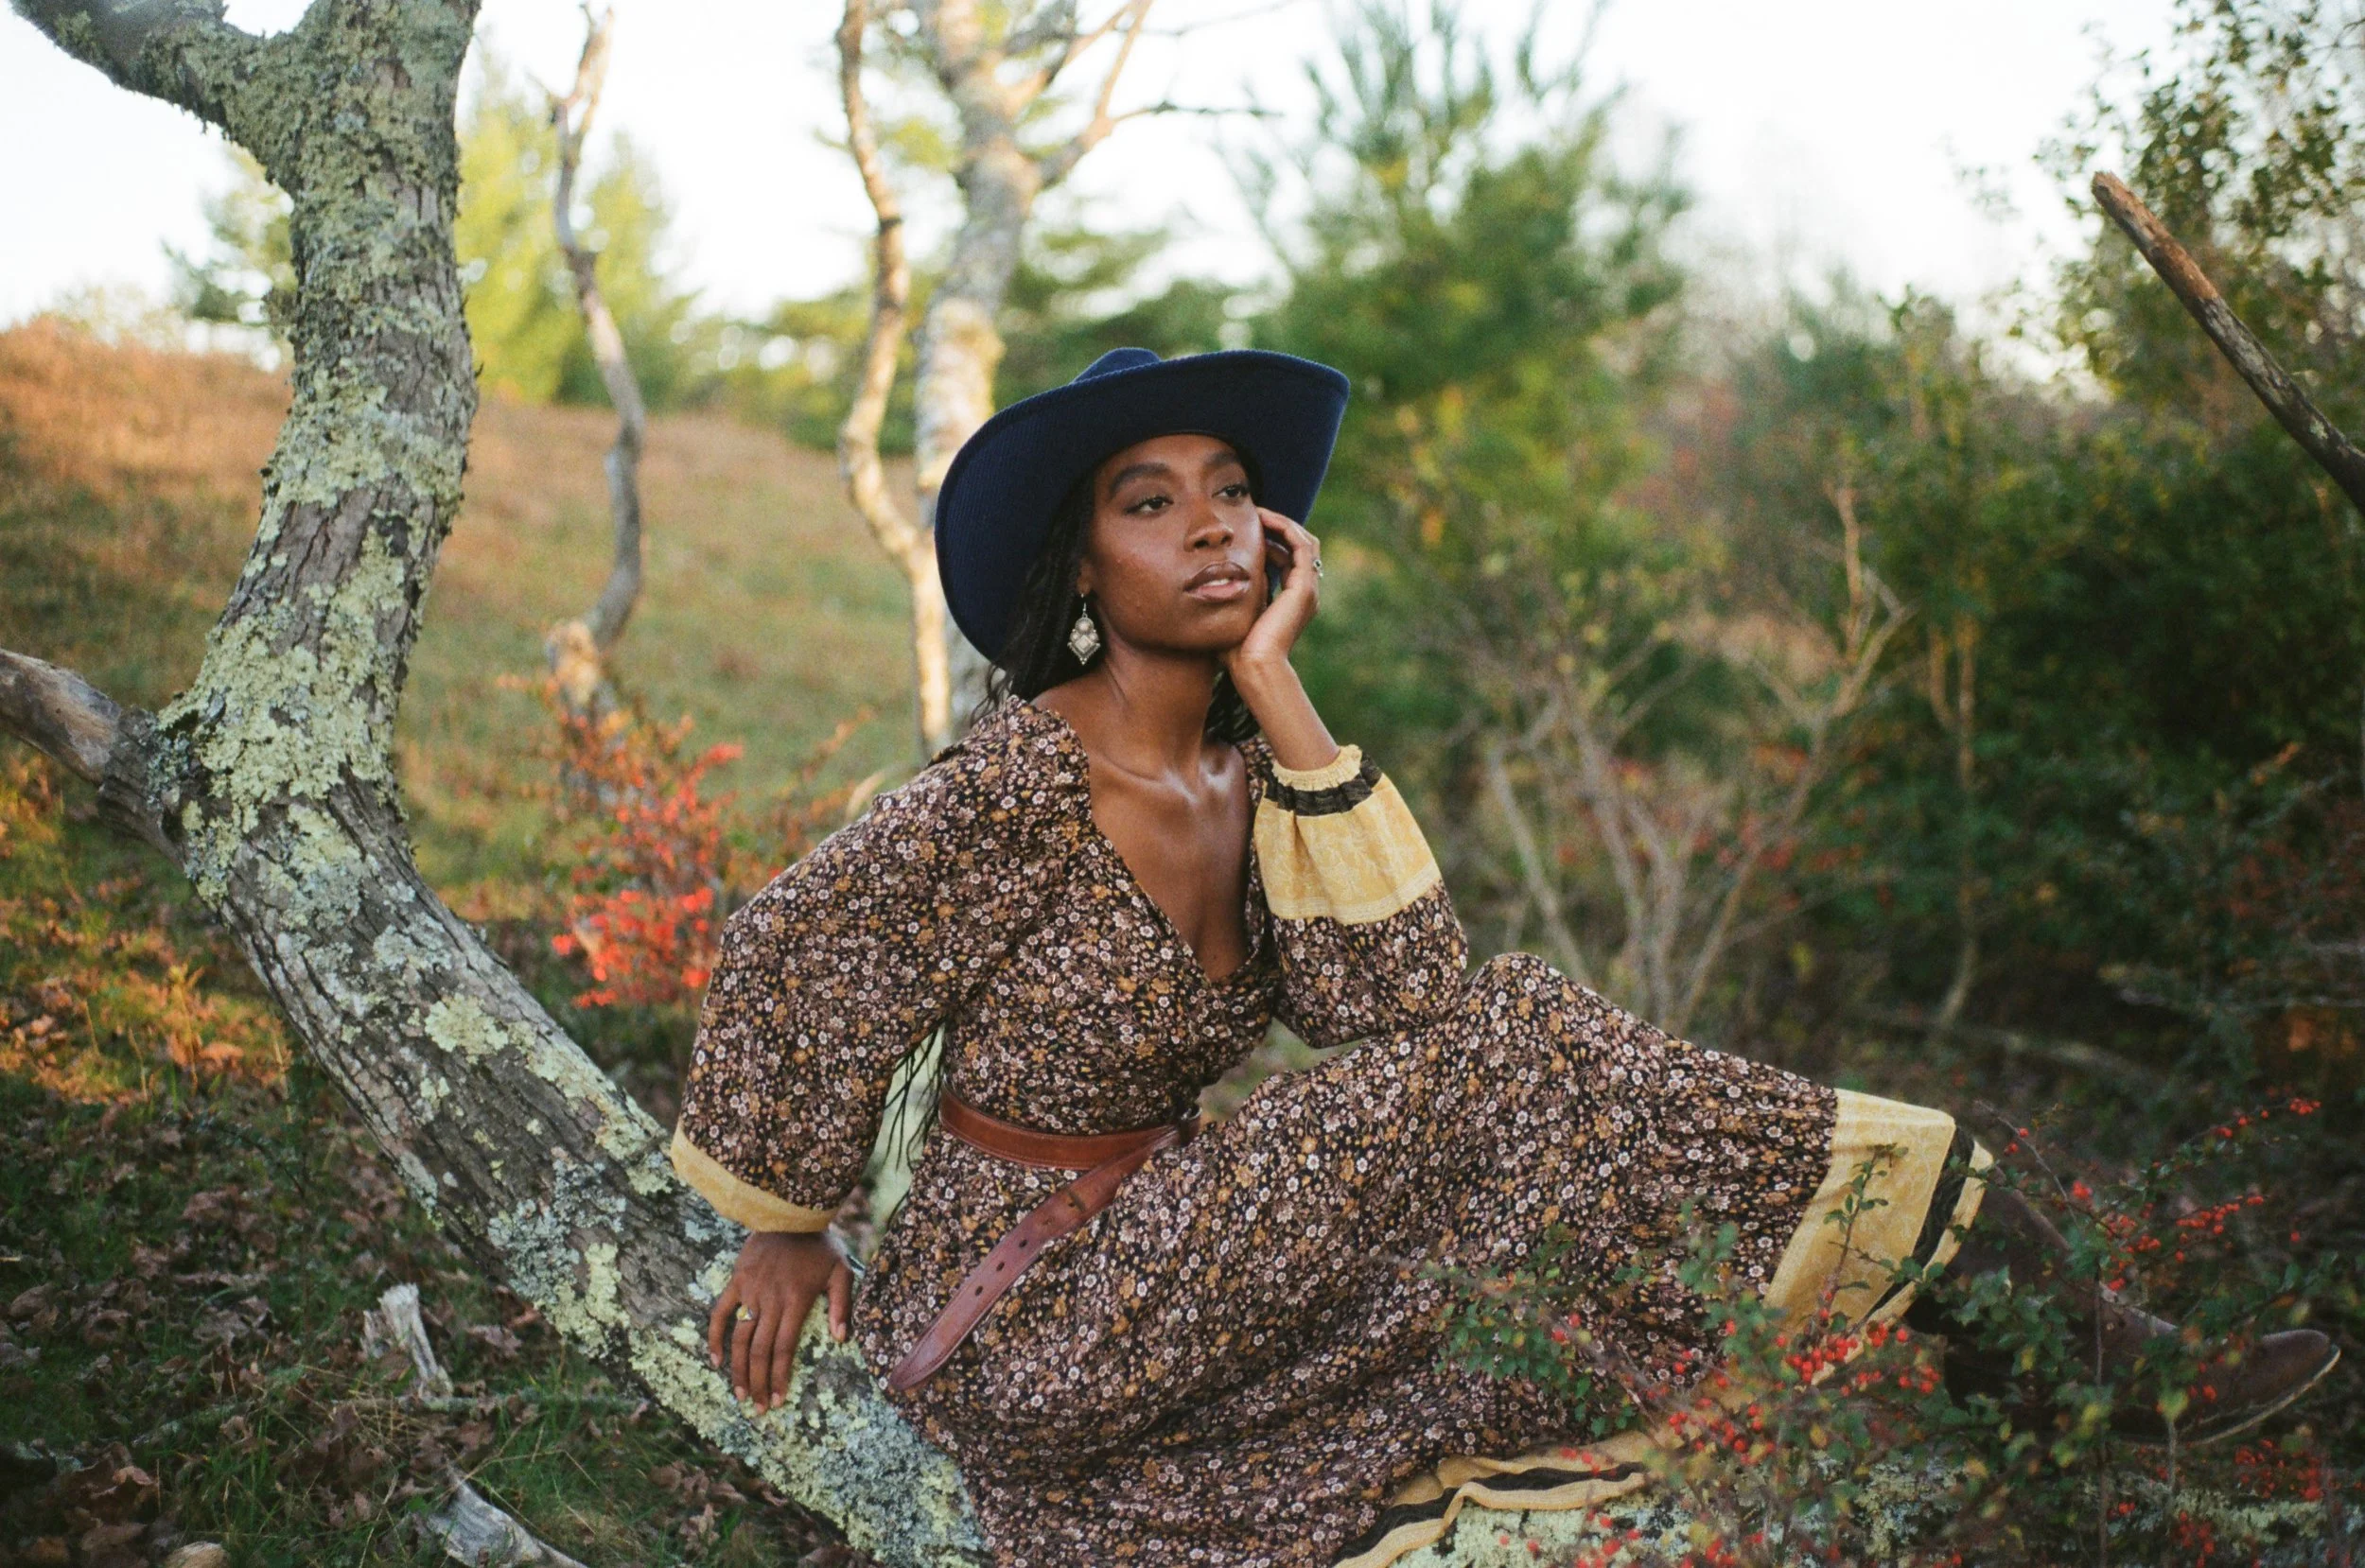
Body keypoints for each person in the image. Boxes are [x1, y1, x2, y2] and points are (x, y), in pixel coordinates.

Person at [667, 348, 2338, 1568]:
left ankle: (2027, 1305)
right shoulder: (1020, 775)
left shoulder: (1251, 777)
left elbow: (1398, 1005)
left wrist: (1282, 693)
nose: (1212, 526)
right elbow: (798, 946)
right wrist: (786, 1221)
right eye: (1150, 501)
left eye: (1236, 492)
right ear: (1081, 567)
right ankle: (1984, 1252)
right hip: (1027, 1312)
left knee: (1503, 1070)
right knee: (1516, 1047)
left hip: (1182, 1271)